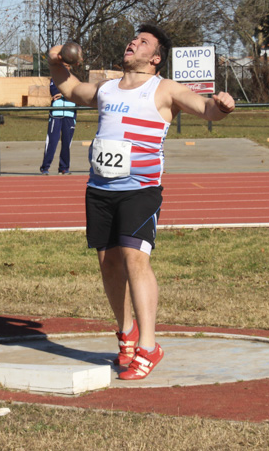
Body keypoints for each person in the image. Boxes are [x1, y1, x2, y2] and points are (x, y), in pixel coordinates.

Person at [47, 24, 235, 380]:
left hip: (140, 188)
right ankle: (126, 333)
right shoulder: (107, 88)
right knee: (109, 264)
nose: (133, 42)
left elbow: (206, 109)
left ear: (156, 58)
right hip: (101, 188)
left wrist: (222, 105)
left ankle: (149, 346)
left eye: (143, 42)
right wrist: (55, 59)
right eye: (133, 39)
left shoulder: (164, 88)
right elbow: (69, 87)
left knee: (135, 258)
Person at [40, 80, 77, 175]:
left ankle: (64, 167)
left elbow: (77, 94)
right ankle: (45, 167)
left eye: (68, 65)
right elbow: (55, 93)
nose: (66, 67)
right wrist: (68, 93)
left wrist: (64, 94)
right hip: (56, 115)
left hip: (70, 115)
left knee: (66, 143)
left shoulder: (75, 80)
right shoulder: (55, 78)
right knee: (52, 142)